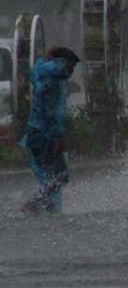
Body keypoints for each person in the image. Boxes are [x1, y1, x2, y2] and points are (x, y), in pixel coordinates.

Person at [19, 47, 80, 213]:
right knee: (61, 176)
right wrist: (57, 136)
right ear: (59, 62)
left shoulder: (43, 72)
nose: (71, 71)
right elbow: (48, 109)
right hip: (46, 135)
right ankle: (33, 204)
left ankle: (48, 209)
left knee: (49, 176)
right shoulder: (51, 77)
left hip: (36, 132)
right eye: (70, 66)